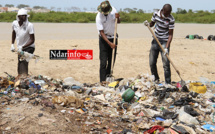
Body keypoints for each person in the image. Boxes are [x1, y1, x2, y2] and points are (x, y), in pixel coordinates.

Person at [145, 4, 175, 84]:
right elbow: (152, 24)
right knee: (152, 62)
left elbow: (170, 35)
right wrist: (148, 24)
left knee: (166, 64)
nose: (167, 15)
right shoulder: (156, 14)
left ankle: (168, 83)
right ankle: (156, 79)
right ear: (163, 10)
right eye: (166, 13)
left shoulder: (171, 19)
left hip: (165, 42)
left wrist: (166, 48)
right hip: (155, 40)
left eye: (169, 13)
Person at [96, 0, 120, 82]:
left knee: (111, 60)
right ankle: (102, 81)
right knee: (103, 62)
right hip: (104, 40)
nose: (105, 13)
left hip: (113, 38)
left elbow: (118, 22)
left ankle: (108, 78)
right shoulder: (99, 17)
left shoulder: (114, 10)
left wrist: (118, 18)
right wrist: (110, 43)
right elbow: (101, 33)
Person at [10, 8, 35, 79]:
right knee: (20, 61)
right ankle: (20, 75)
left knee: (24, 61)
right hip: (20, 47)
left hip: (29, 46)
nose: (24, 17)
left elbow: (32, 40)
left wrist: (23, 47)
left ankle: (24, 76)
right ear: (18, 17)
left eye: (25, 16)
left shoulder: (30, 25)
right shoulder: (14, 23)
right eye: (22, 16)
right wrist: (12, 44)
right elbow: (13, 33)